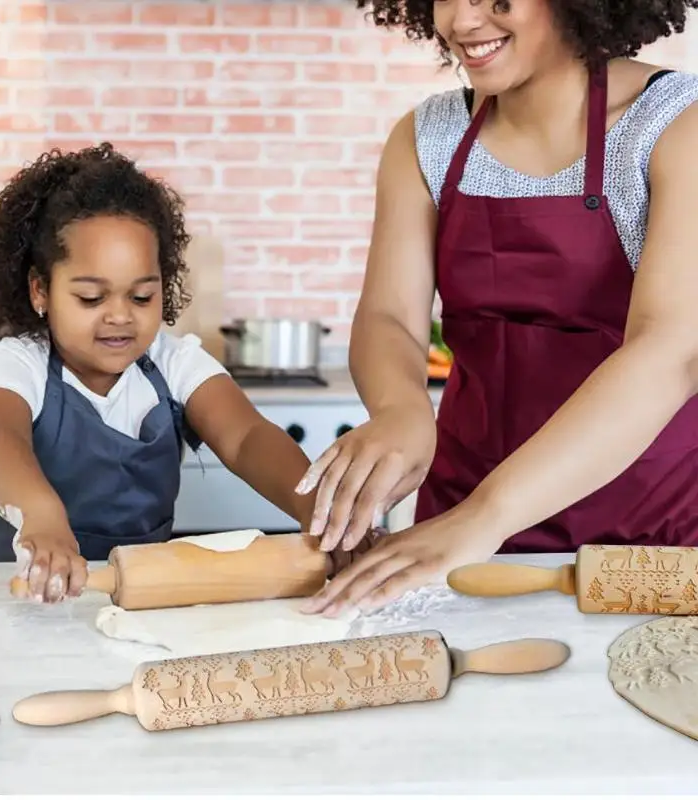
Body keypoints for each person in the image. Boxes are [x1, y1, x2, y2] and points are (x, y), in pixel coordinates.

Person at [298, 0, 698, 617]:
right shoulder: (428, 138)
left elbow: (669, 351)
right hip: (460, 532)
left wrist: (487, 516)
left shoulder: (674, 125)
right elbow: (391, 319)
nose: (461, 21)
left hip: (649, 539)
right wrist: (402, 411)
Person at [0, 142, 329, 603]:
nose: (120, 316)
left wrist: (321, 510)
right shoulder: (16, 362)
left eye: (141, 297)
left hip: (130, 602)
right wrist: (42, 516)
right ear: (40, 290)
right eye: (91, 298)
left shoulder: (174, 363)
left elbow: (247, 437)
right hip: (8, 598)